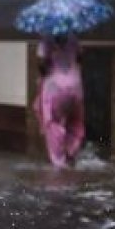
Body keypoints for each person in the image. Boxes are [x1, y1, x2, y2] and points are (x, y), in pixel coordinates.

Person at [34, 33, 85, 168]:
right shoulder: (73, 38)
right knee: (75, 120)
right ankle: (71, 150)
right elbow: (80, 57)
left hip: (55, 88)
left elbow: (42, 63)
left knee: (53, 123)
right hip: (75, 86)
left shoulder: (46, 39)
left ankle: (59, 162)